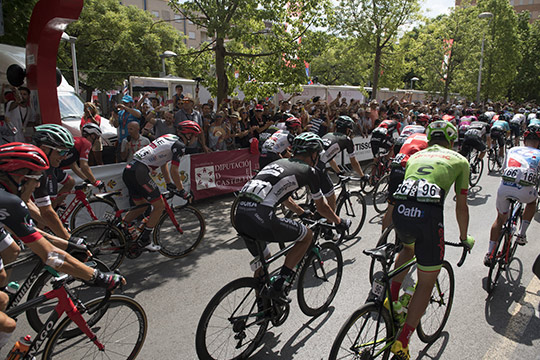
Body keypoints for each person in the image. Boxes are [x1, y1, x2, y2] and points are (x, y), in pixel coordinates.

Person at [0, 142, 124, 347]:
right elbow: (50, 256)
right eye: (35, 179)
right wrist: (98, 277)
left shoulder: (6, 196)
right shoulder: (10, 203)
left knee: (4, 299)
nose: (38, 185)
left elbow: (26, 230)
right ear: (18, 176)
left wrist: (67, 244)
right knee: (9, 324)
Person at [389, 120, 474, 360]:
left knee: (407, 249)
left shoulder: (416, 156)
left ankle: (392, 301)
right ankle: (403, 342)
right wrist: (463, 236)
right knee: (426, 282)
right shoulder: (460, 160)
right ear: (452, 141)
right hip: (427, 215)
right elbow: (461, 205)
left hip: (401, 210)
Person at [233, 132, 350, 300]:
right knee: (306, 236)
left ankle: (262, 305)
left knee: (264, 259)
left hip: (240, 215)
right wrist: (339, 222)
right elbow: (322, 207)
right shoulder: (309, 170)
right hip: (260, 218)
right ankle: (280, 283)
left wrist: (301, 212)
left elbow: (283, 196)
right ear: (314, 154)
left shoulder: (278, 163)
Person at [121, 121, 199, 251]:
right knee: (159, 206)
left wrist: (169, 183)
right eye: (195, 136)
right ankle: (145, 239)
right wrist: (182, 191)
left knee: (141, 206)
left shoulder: (168, 137)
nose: (196, 139)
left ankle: (119, 228)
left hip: (129, 169)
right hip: (140, 172)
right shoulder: (179, 146)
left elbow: (163, 164)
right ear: (189, 135)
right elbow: (174, 170)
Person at [484, 124, 540, 266]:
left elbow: (504, 168)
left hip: (505, 188)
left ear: (525, 141)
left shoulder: (513, 149)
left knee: (500, 219)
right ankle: (521, 234)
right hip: (525, 191)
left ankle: (490, 253)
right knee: (533, 202)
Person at [31, 124, 75, 240]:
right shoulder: (36, 169)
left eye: (66, 152)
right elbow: (46, 213)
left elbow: (27, 203)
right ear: (44, 149)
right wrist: (68, 240)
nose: (64, 157)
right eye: (61, 152)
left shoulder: (44, 167)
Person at [382, 129, 428, 231]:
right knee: (413, 210)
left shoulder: (412, 136)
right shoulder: (428, 141)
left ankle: (382, 243)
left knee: (390, 209)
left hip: (397, 168)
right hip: (410, 170)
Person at [319, 116, 367, 211]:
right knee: (332, 198)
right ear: (348, 129)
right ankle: (329, 223)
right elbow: (353, 162)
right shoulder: (347, 140)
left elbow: (329, 157)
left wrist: (338, 171)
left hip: (312, 163)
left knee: (318, 193)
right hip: (318, 168)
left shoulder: (329, 135)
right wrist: (362, 176)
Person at [58, 123, 107, 192]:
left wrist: (86, 179)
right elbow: (84, 166)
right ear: (91, 135)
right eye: (96, 137)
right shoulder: (86, 143)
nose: (96, 140)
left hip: (53, 167)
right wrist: (94, 181)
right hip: (52, 169)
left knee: (70, 183)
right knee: (51, 199)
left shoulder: (78, 141)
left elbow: (73, 165)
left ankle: (57, 202)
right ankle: (54, 202)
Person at [110, 95, 142, 162]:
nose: (124, 105)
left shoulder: (135, 111)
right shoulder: (120, 113)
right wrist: (115, 117)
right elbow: (116, 125)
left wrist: (125, 107)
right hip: (122, 140)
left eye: (126, 103)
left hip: (132, 140)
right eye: (123, 103)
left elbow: (138, 115)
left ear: (131, 103)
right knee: (120, 159)